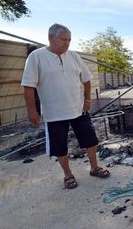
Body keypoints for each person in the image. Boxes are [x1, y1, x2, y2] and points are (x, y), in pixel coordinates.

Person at [21, 23, 110, 189]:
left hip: (79, 109)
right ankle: (68, 175)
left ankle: (94, 167)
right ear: (50, 37)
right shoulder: (36, 57)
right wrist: (32, 110)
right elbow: (28, 86)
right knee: (59, 146)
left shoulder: (74, 56)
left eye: (69, 40)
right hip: (54, 113)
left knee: (90, 139)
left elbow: (86, 79)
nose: (67, 43)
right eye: (63, 39)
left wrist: (87, 100)